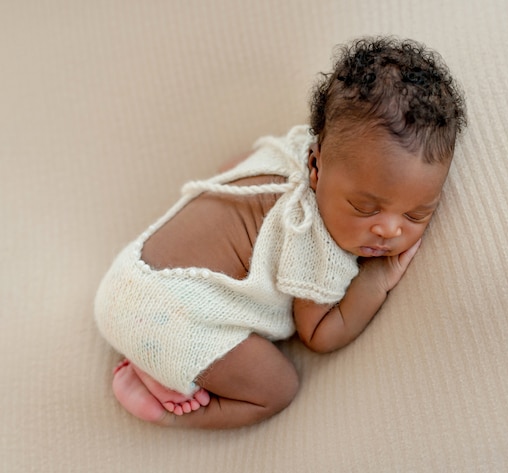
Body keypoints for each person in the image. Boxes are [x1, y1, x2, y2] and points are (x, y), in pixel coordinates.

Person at [94, 36, 467, 429]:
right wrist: (377, 279)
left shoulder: (292, 148)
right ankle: (167, 407)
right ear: (316, 167)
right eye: (365, 207)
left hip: (125, 278)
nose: (388, 229)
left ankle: (157, 361)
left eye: (416, 214)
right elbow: (320, 334)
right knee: (277, 387)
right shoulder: (313, 241)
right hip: (168, 319)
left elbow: (233, 164)